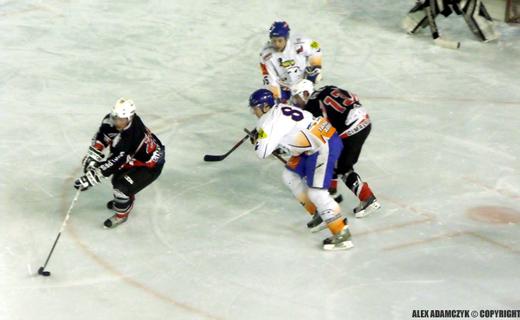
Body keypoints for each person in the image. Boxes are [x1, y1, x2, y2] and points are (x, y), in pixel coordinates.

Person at [247, 88, 353, 251]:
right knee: (289, 176)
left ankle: (341, 232)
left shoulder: (269, 121)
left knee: (317, 193)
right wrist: (263, 135)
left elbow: (262, 152)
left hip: (323, 145)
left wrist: (259, 138)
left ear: (265, 107)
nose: (254, 112)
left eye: (256, 108)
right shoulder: (279, 108)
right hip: (316, 140)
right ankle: (319, 213)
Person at [291, 80, 380, 220]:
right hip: (363, 120)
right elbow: (352, 98)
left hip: (350, 129)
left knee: (342, 167)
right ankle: (331, 191)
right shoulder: (327, 88)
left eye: (297, 97)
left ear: (306, 93)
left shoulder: (311, 105)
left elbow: (317, 135)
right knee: (333, 158)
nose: (296, 102)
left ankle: (368, 198)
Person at [74, 98, 165, 228]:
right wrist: (94, 154)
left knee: (121, 187)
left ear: (130, 117)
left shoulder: (132, 133)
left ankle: (122, 214)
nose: (117, 122)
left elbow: (117, 160)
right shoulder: (112, 120)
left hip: (150, 165)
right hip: (134, 159)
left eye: (121, 119)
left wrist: (92, 177)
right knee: (117, 179)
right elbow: (103, 135)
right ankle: (125, 200)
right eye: (116, 117)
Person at [259, 21, 322, 103]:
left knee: (308, 105)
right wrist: (277, 97)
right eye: (274, 41)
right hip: (284, 87)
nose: (277, 44)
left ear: (286, 38)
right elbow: (269, 77)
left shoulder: (300, 43)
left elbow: (316, 47)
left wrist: (315, 67)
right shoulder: (266, 55)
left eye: (280, 40)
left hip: (302, 82)